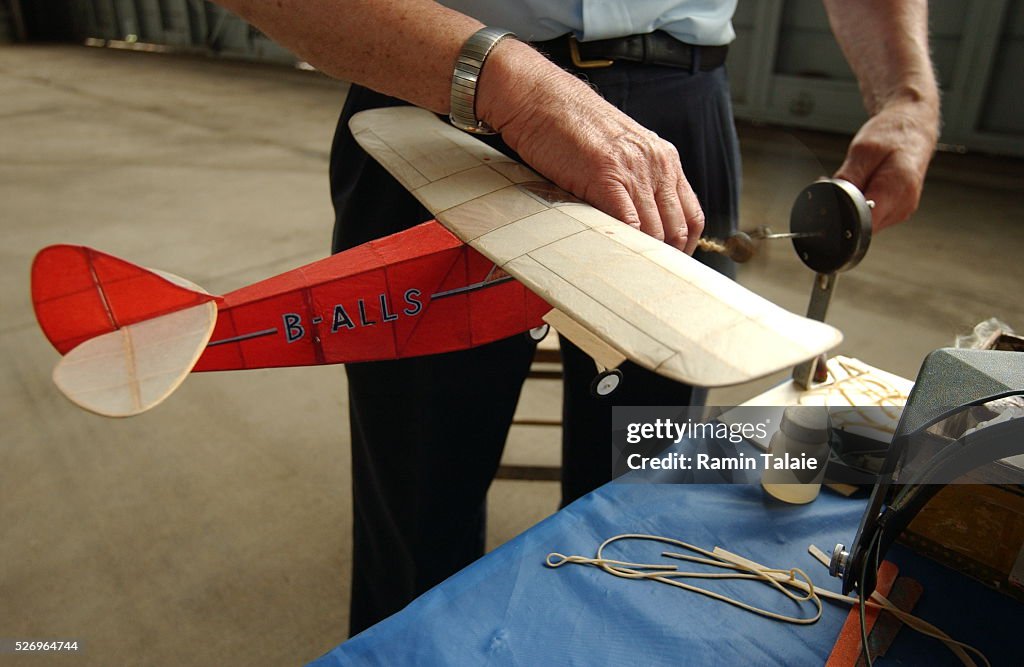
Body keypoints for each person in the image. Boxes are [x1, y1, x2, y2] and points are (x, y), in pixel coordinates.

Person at [217, 0, 940, 634]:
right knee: (416, 490)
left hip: (674, 114)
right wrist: (513, 89)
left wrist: (908, 92)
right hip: (433, 90)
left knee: (644, 476)